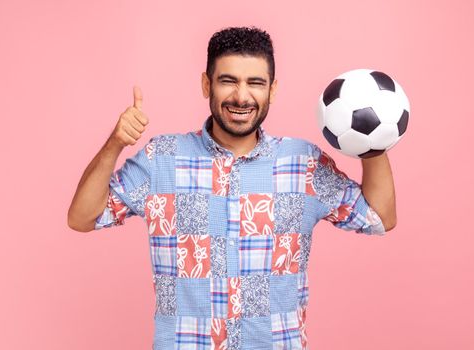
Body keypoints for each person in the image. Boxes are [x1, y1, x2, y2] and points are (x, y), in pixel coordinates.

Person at [67, 26, 396, 350]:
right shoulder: (161, 158)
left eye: (256, 83)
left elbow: (379, 217)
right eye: (228, 81)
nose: (242, 96)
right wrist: (115, 143)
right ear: (206, 84)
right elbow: (82, 217)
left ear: (273, 89)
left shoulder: (304, 164)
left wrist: (374, 141)